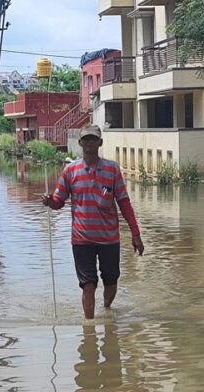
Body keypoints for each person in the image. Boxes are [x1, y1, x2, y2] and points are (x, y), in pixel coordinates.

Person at [40, 124, 144, 319]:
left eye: (93, 139)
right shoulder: (70, 170)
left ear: (100, 143)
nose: (89, 142)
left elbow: (124, 203)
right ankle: (90, 328)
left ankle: (106, 311)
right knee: (88, 285)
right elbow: (59, 202)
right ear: (80, 143)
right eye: (86, 139)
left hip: (109, 239)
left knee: (111, 282)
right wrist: (49, 202)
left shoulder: (112, 170)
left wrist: (136, 234)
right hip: (82, 239)